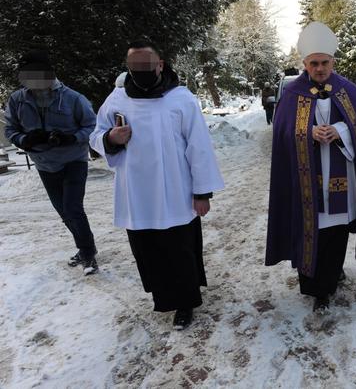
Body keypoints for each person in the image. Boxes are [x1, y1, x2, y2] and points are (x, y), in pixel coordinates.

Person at [89, 41, 224, 329]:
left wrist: (202, 192)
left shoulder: (181, 99)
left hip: (175, 190)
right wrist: (111, 139)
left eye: (147, 66)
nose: (142, 72)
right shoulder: (117, 98)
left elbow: (198, 147)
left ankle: (186, 302)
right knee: (148, 250)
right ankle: (163, 297)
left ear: (160, 65)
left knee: (179, 248)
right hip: (136, 193)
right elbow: (96, 134)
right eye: (135, 67)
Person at [266, 22, 356, 312]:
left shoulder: (347, 89)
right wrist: (307, 133)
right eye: (314, 63)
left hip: (340, 177)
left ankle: (331, 279)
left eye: (324, 62)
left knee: (335, 231)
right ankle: (313, 287)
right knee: (311, 230)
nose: (320, 68)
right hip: (306, 179)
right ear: (304, 63)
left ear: (333, 61)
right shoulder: (292, 93)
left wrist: (339, 131)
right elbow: (282, 131)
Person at [4, 50, 98, 274]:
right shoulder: (17, 100)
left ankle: (87, 254)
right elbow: (10, 129)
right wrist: (25, 139)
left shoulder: (73, 98)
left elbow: (92, 126)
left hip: (73, 160)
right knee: (63, 212)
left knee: (73, 208)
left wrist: (71, 137)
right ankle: (86, 247)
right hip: (44, 164)